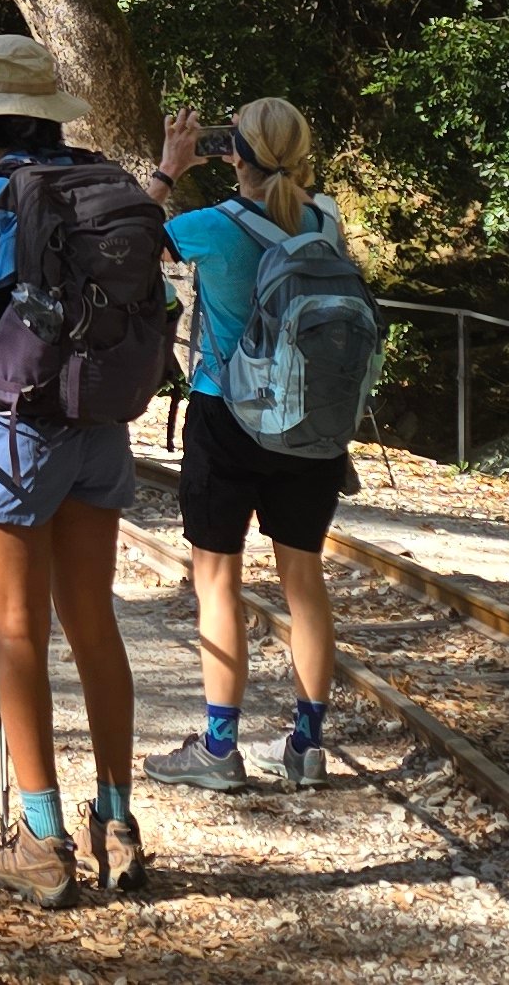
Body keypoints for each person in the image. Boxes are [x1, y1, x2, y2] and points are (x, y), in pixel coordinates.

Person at [0, 35, 151, 908]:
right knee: (93, 620)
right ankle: (119, 825)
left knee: (18, 631)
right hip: (99, 422)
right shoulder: (108, 184)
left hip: (13, 434)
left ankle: (42, 840)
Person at [145, 98, 352, 796]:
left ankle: (219, 748)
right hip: (310, 423)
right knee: (304, 583)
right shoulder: (327, 221)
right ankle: (307, 748)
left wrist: (168, 169)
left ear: (232, 151)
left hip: (226, 414)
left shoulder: (209, 226)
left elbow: (128, 242)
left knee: (217, 583)